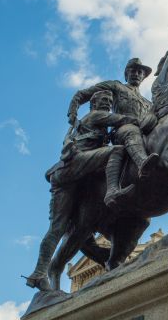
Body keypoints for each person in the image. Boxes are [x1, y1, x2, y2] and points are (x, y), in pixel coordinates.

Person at [25, 90, 139, 290]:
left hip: (68, 174)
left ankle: (39, 272)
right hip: (72, 166)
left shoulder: (89, 123)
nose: (107, 103)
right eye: (103, 100)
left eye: (109, 101)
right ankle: (112, 189)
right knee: (116, 151)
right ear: (93, 104)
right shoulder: (95, 115)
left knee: (58, 228)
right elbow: (126, 119)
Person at [66, 58, 160, 208]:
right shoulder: (116, 86)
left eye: (140, 72)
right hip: (122, 131)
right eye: (133, 71)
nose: (136, 74)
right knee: (131, 130)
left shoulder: (147, 102)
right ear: (126, 74)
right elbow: (82, 94)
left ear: (143, 76)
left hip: (144, 132)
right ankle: (142, 162)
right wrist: (72, 112)